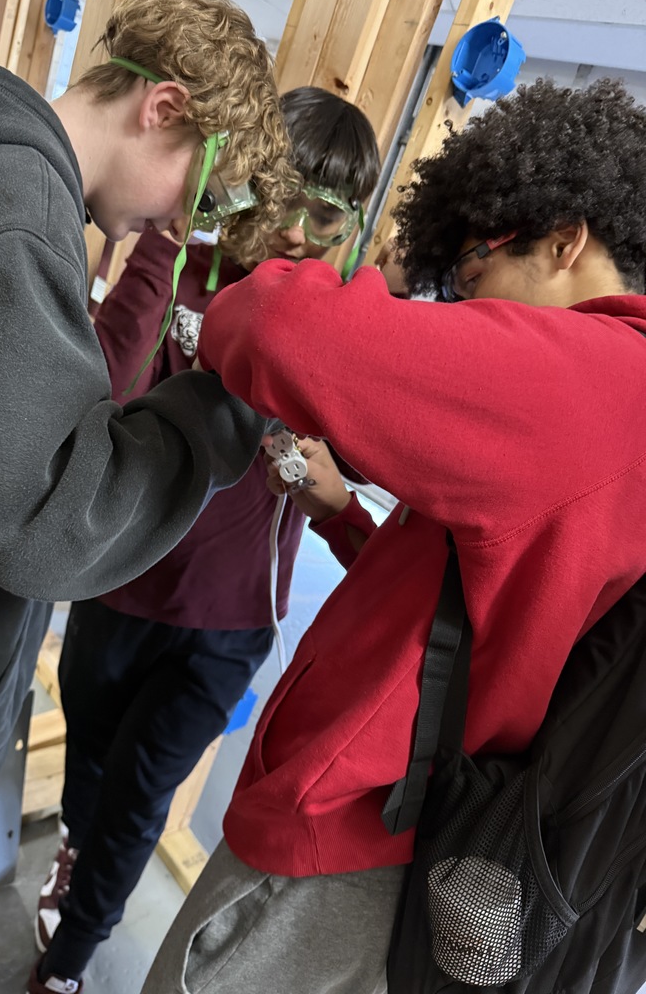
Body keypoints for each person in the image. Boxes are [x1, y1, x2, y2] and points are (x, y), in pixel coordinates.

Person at [140, 77, 646, 994]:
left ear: (565, 241)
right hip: (415, 833)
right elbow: (498, 615)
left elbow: (277, 326)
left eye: (476, 275)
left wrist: (342, 274)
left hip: (346, 839)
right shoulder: (611, 417)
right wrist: (346, 517)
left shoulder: (594, 382)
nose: (467, 309)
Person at [0, 0, 299, 994]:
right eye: (198, 190)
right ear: (164, 108)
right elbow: (49, 516)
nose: (180, 222)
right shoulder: (9, 221)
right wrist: (230, 401)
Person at [30, 86, 380, 994]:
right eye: (284, 199)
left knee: (140, 797)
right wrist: (166, 243)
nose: (296, 233)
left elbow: (358, 464)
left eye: (325, 219)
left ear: (350, 228)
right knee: (90, 760)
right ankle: (72, 851)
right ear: (250, 181)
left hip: (229, 621)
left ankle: (68, 963)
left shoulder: (339, 322)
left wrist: (323, 462)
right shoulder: (185, 267)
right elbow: (103, 384)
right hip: (121, 580)